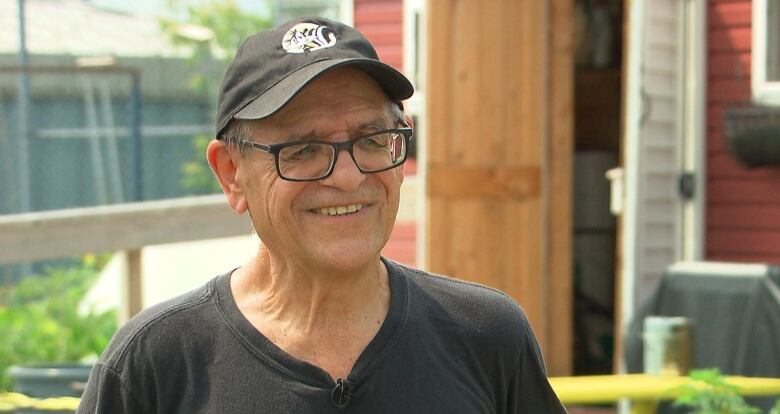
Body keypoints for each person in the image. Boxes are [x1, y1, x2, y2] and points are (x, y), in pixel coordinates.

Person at [77, 17, 566, 413]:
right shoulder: (156, 365)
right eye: (304, 149)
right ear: (231, 173)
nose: (349, 177)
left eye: (373, 141)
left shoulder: (485, 336)